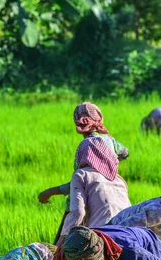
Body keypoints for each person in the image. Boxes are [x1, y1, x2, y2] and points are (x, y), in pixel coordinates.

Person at [38, 102, 129, 243]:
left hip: (102, 230)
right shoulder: (119, 179)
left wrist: (60, 242)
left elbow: (77, 204)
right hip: (128, 226)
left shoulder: (84, 151)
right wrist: (110, 162)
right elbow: (125, 152)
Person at [58, 137, 131, 238]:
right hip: (128, 232)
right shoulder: (118, 179)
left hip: (102, 234)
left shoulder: (81, 174)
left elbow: (78, 212)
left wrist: (62, 239)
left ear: (81, 155)